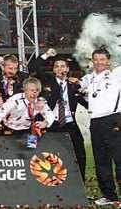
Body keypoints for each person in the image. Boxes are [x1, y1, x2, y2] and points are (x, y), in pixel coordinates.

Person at [29, 48, 88, 180]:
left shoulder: (74, 85)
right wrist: (47, 55)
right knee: (44, 154)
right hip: (50, 124)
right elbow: (32, 67)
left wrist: (88, 95)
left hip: (69, 124)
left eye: (62, 66)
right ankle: (48, 182)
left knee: (79, 153)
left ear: (67, 69)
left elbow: (88, 104)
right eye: (56, 66)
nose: (59, 69)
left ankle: (79, 185)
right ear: (54, 70)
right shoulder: (47, 81)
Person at [79, 47, 121, 206]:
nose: (99, 63)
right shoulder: (88, 78)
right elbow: (75, 85)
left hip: (113, 120)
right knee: (101, 160)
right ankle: (110, 195)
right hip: (95, 122)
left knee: (119, 159)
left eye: (102, 59)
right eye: (96, 59)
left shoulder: (116, 74)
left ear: (108, 60)